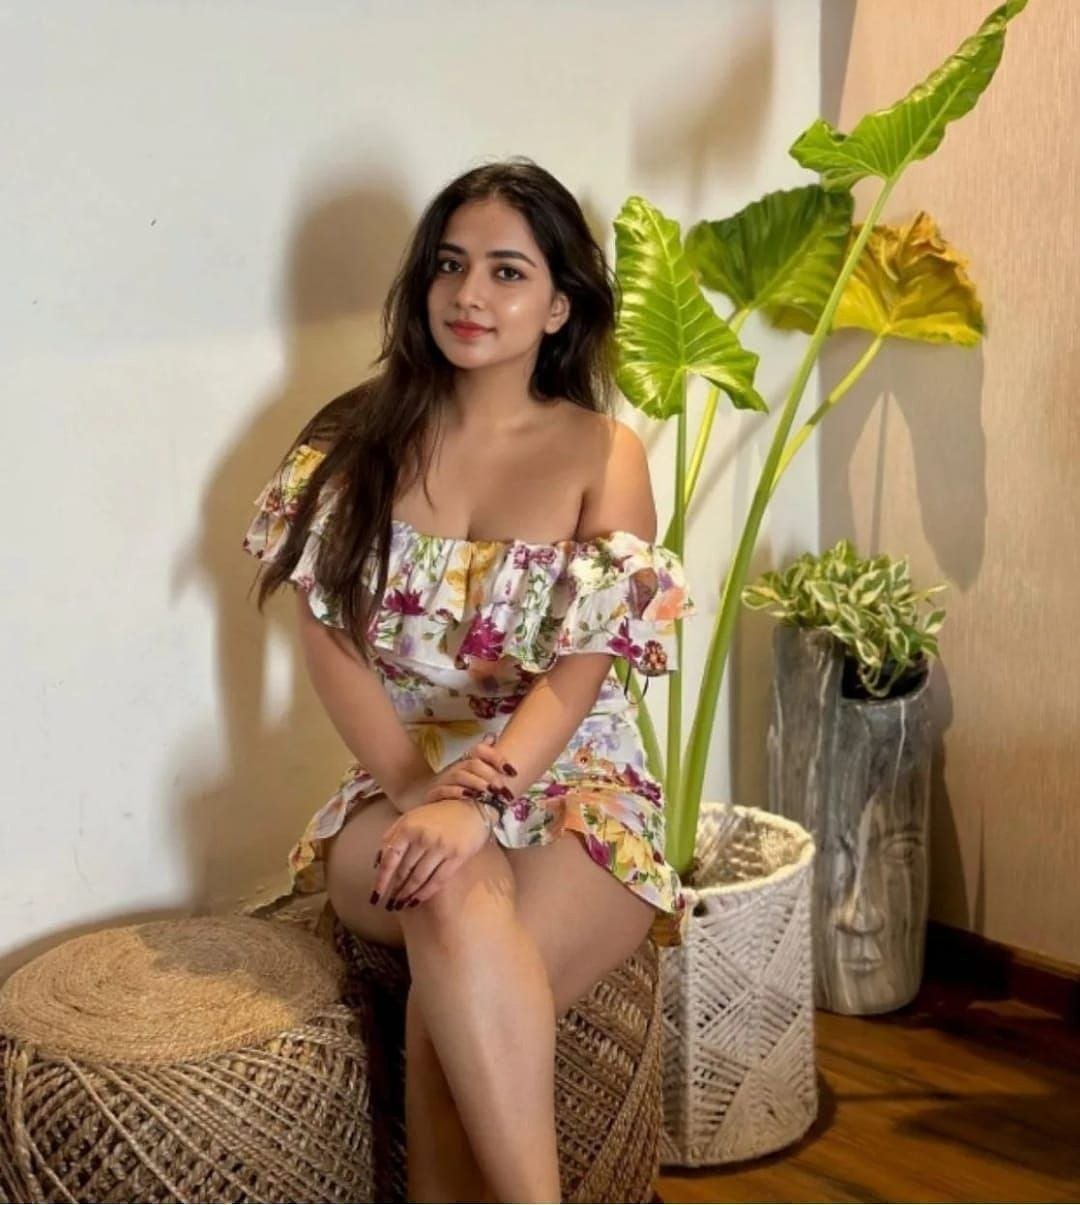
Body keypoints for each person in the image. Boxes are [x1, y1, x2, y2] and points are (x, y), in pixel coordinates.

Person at [241, 157, 695, 1203]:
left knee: (450, 1012)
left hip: (576, 783)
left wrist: (480, 800)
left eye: (506, 271)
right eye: (450, 266)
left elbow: (584, 664)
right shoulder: (350, 441)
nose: (469, 295)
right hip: (396, 783)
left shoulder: (605, 452)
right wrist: (420, 791)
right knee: (450, 894)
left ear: (559, 306)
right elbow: (329, 640)